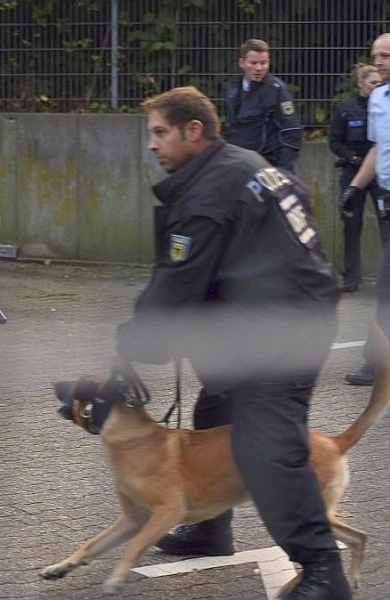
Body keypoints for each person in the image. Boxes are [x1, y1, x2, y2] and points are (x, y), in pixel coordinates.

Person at [117, 86, 348, 599]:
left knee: (268, 448)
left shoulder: (207, 194)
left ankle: (323, 573)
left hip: (280, 334)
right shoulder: (246, 164)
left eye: (160, 133)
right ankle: (210, 527)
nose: (152, 145)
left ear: (193, 131)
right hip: (273, 320)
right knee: (215, 409)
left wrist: (132, 345)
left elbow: (175, 289)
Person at [341, 33, 390, 387]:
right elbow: (378, 148)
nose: (379, 62)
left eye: (386, 55)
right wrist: (356, 186)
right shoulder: (379, 98)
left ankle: (374, 364)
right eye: (376, 56)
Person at [329, 63, 387, 293]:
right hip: (353, 172)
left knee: (386, 224)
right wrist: (351, 158)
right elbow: (334, 141)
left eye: (380, 83)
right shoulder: (345, 109)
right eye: (373, 83)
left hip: (379, 171)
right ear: (361, 84)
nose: (378, 87)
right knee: (352, 225)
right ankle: (352, 277)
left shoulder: (384, 105)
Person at [224, 38, 301, 172]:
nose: (259, 68)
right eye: (253, 63)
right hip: (239, 163)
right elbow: (232, 127)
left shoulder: (277, 90)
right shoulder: (233, 88)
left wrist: (283, 170)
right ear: (242, 63)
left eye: (263, 63)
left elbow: (291, 131)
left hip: (268, 164)